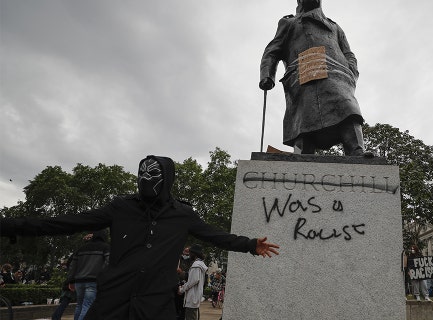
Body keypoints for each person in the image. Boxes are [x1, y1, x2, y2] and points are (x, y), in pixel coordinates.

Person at [0, 155, 280, 320]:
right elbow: (66, 222)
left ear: (167, 179)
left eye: (154, 175)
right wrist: (12, 226)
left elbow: (217, 236)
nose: (147, 180)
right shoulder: (121, 208)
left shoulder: (182, 215)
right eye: (142, 174)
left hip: (156, 304)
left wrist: (250, 245)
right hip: (114, 300)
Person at [259, 0, 366, 156]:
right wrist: (267, 75)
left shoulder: (335, 27)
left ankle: (357, 150)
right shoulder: (289, 23)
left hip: (337, 75)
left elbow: (348, 53)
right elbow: (272, 51)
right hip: (304, 74)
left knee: (348, 108)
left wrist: (351, 71)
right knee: (304, 119)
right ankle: (303, 154)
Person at [67, 230, 109, 320]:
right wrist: (102, 276)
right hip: (93, 281)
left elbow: (72, 266)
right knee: (87, 306)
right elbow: (108, 263)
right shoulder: (105, 248)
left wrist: (70, 281)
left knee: (79, 305)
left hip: (79, 282)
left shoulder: (81, 249)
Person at [178, 244, 207, 320]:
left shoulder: (196, 265)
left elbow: (192, 281)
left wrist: (182, 289)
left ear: (194, 254)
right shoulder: (201, 264)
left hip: (192, 298)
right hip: (195, 297)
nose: (189, 255)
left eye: (190, 253)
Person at [176, 246, 193, 320]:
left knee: (184, 308)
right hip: (177, 286)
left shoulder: (192, 262)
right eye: (184, 252)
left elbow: (191, 276)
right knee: (176, 306)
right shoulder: (178, 259)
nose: (185, 254)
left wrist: (181, 272)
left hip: (186, 288)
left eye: (187, 252)